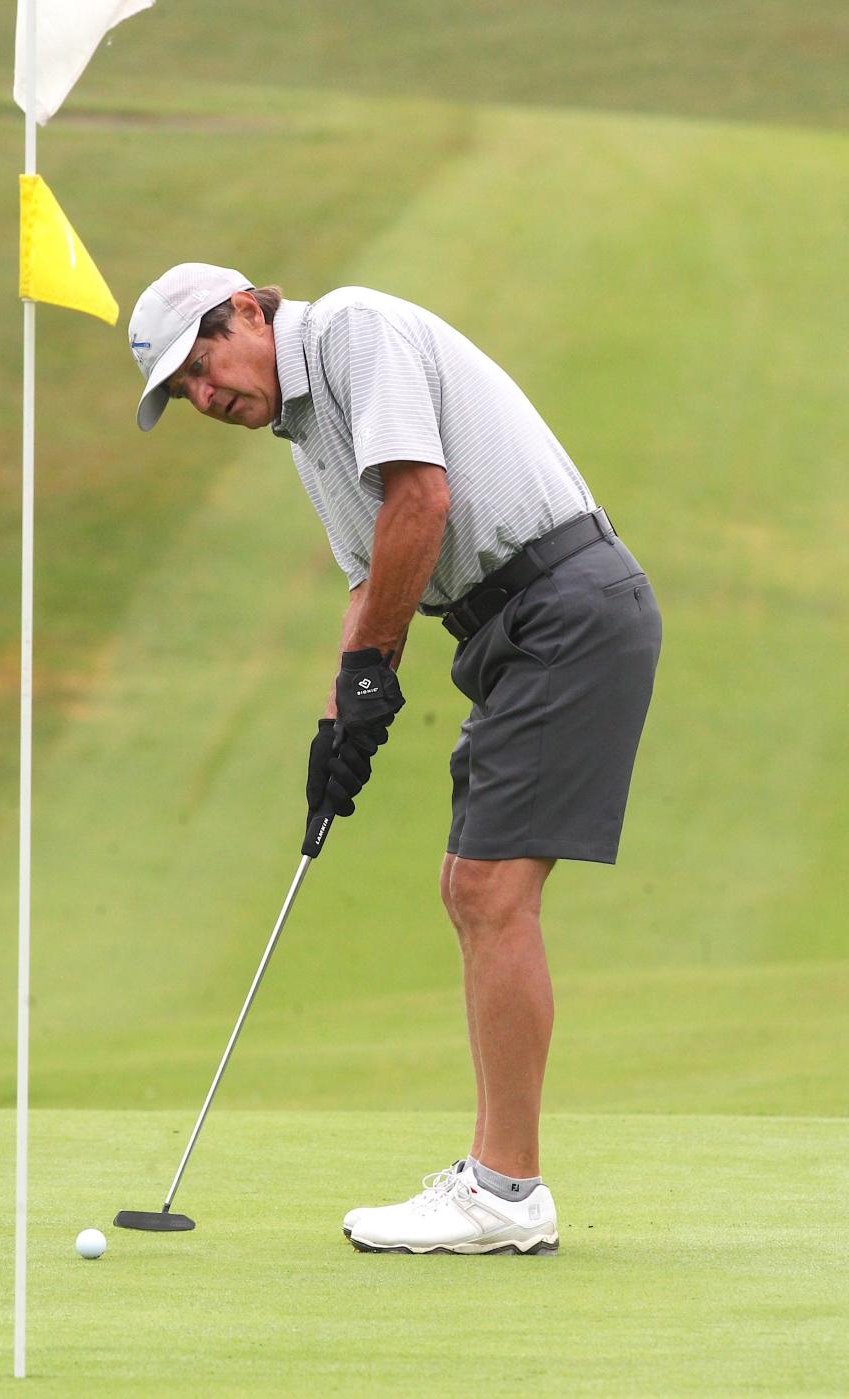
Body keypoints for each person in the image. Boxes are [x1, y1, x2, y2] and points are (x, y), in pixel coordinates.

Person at [128, 263, 662, 1255]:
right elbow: (375, 575)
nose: (206, 394)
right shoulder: (303, 435)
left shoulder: (350, 333)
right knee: (472, 885)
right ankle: (500, 1179)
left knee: (492, 890)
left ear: (249, 308)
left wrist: (374, 667)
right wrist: (339, 725)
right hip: (507, 630)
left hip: (563, 607)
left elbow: (420, 501)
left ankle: (506, 1192)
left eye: (202, 360)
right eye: (185, 392)